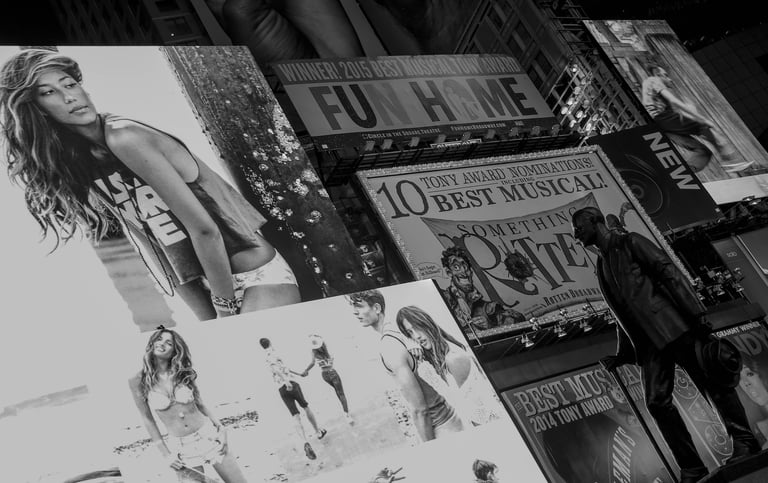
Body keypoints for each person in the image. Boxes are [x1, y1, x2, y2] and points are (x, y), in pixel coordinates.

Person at [0, 49, 300, 320]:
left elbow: (205, 229)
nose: (69, 97)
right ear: (37, 108)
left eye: (69, 84)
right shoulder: (81, 163)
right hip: (208, 287)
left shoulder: (125, 137)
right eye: (49, 92)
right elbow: (153, 242)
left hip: (256, 276)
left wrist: (224, 308)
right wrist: (205, 315)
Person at [571, 206, 760, 483]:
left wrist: (697, 314)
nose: (576, 235)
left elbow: (668, 272)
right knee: (657, 403)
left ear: (594, 220)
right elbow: (623, 313)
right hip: (649, 343)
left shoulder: (630, 242)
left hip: (674, 328)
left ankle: (745, 441)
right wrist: (622, 354)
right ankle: (692, 468)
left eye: (578, 228)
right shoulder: (602, 265)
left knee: (711, 381)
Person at [128, 328, 247, 483]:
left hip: (209, 436)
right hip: (181, 449)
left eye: (168, 343)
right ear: (152, 342)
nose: (162, 344)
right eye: (159, 339)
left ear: (174, 351)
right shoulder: (137, 380)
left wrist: (221, 428)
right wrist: (166, 454)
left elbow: (200, 404)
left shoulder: (182, 372)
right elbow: (147, 419)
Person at [347, 290, 464, 442]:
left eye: (359, 306)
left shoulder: (390, 346)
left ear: (376, 308)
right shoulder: (399, 332)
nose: (355, 312)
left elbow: (420, 410)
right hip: (448, 419)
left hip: (441, 428)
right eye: (353, 307)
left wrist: (431, 448)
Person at [640, 63, 752, 173]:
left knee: (703, 151)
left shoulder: (654, 92)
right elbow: (675, 102)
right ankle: (729, 161)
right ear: (658, 75)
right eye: (666, 75)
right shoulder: (653, 80)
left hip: (663, 127)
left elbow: (677, 116)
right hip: (661, 119)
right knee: (705, 126)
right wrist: (702, 119)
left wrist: (692, 115)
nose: (670, 79)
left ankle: (685, 172)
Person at [395, 305, 498, 426]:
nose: (416, 336)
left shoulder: (453, 358)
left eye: (417, 328)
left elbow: (478, 415)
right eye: (410, 333)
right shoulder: (438, 358)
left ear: (427, 324)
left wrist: (425, 369)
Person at [259, 337, 326, 461]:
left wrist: (299, 374)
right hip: (291, 384)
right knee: (305, 406)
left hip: (281, 389)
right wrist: (287, 381)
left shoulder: (265, 358)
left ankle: (305, 441)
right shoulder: (273, 354)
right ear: (270, 342)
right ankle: (317, 431)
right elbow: (277, 369)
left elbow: (283, 368)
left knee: (295, 415)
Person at [440, 246, 525, 331]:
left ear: (471, 272)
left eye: (465, 267)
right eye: (456, 267)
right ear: (449, 272)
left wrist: (491, 327)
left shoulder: (487, 308)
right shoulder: (442, 300)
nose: (463, 272)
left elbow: (518, 320)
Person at [300, 334, 354, 425]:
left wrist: (306, 371)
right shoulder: (326, 348)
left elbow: (312, 363)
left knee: (337, 392)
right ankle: (347, 414)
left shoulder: (313, 351)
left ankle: (345, 410)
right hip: (332, 372)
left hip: (324, 375)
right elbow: (332, 359)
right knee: (341, 393)